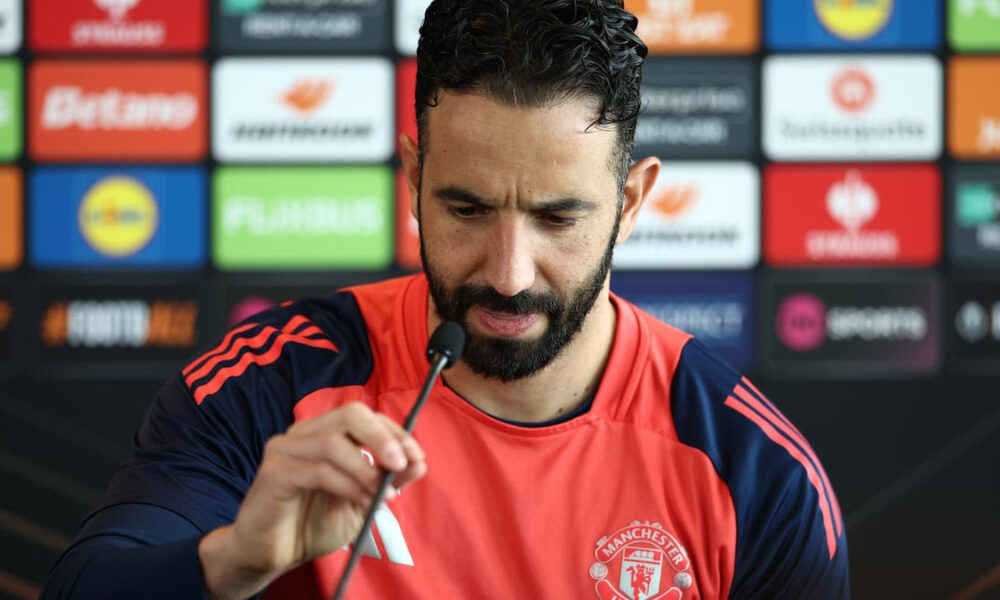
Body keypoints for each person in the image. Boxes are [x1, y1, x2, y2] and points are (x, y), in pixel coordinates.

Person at [43, 0, 850, 598]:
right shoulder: (269, 388)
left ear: (631, 204)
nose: (509, 273)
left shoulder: (753, 471)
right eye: (467, 209)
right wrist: (230, 563)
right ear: (413, 179)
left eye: (558, 218)